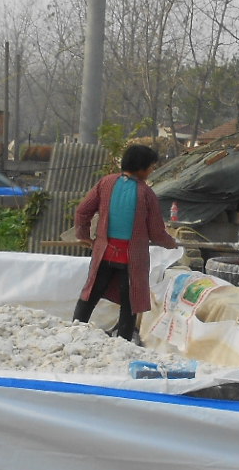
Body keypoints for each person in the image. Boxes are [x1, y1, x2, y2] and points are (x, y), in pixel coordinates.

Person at [72, 144, 179, 341]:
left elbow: (82, 211)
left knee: (90, 293)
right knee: (130, 302)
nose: (151, 171)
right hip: (131, 259)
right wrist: (172, 243)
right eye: (151, 167)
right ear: (141, 168)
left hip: (103, 253)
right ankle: (123, 341)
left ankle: (74, 330)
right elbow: (156, 233)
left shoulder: (106, 183)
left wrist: (84, 236)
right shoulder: (146, 194)